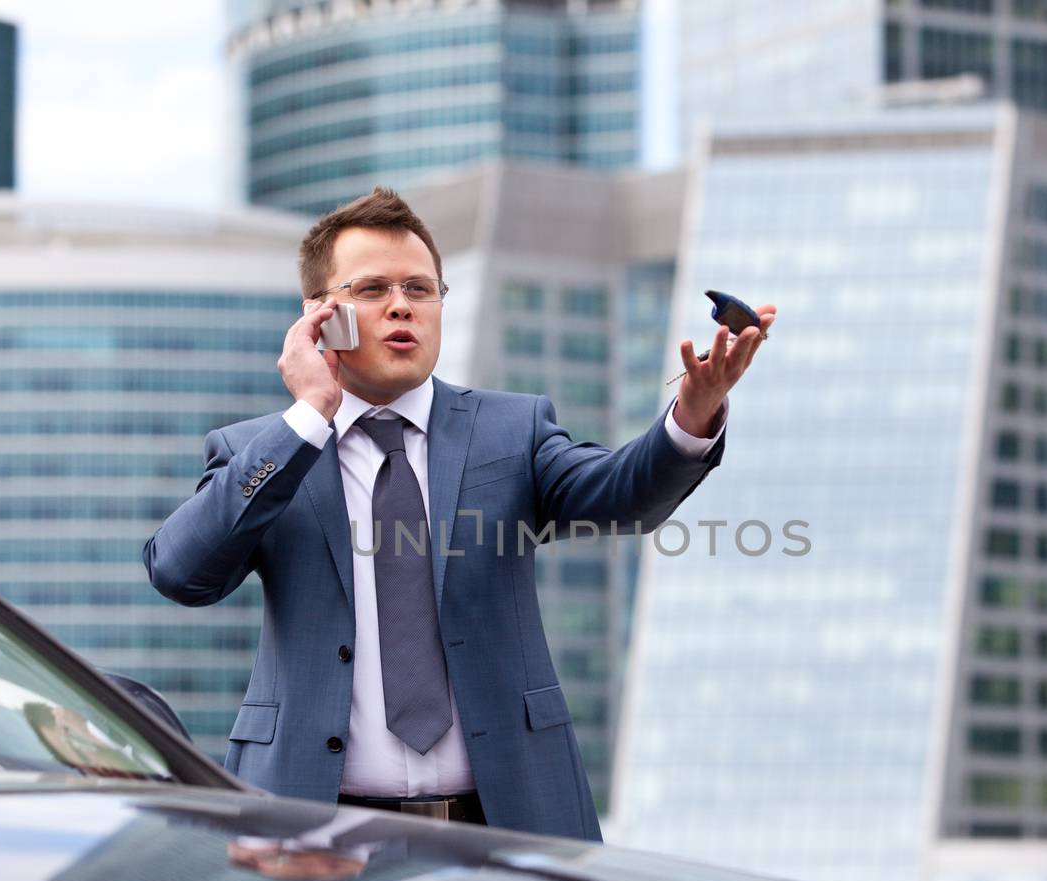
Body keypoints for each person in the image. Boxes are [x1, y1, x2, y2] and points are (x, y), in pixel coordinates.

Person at [144, 186, 773, 841]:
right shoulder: (261, 451)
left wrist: (693, 415)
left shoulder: (511, 430)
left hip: (504, 825)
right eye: (372, 289)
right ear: (319, 317)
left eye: (420, 289)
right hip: (311, 832)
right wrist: (307, 418)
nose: (400, 306)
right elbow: (181, 571)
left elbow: (624, 495)